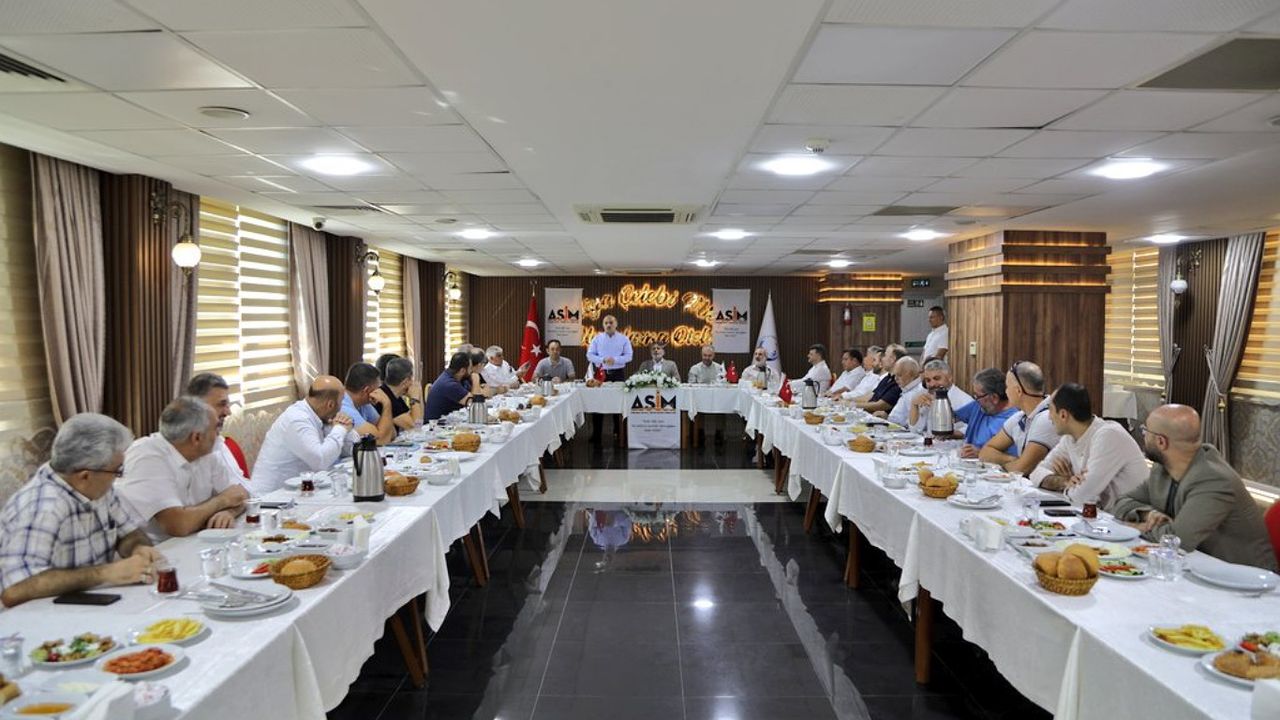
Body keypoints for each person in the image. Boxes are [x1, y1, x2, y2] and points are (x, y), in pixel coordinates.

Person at [0, 414, 163, 608]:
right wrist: (106, 573)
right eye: (117, 470)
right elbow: (14, 590)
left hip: (92, 606)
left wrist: (138, 549)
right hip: (43, 616)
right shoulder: (42, 508)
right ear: (85, 476)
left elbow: (128, 533)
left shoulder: (98, 488)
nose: (118, 477)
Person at [1111, 405, 1277, 570]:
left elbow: (1178, 540)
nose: (1143, 436)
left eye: (1145, 431)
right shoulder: (1162, 469)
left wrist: (1134, 528)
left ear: (1161, 442)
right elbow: (1121, 502)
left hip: (1243, 578)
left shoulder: (1214, 480)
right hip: (1194, 566)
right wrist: (1148, 513)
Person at [118, 397, 250, 543]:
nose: (219, 434)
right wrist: (222, 501)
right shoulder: (146, 456)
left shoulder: (208, 452)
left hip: (194, 542)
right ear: (196, 438)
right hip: (153, 550)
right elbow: (178, 525)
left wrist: (228, 512)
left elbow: (240, 494)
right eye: (216, 428)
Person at [1029, 383, 1147, 510]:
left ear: (1063, 415)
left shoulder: (1108, 435)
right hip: (1102, 515)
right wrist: (1064, 482)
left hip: (1132, 516)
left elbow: (1082, 496)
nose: (1049, 417)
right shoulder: (1069, 438)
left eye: (1050, 410)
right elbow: (1035, 474)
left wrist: (1073, 488)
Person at [251, 376, 356, 494]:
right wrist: (340, 429)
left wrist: (346, 429)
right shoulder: (297, 419)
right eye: (341, 401)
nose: (342, 407)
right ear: (330, 405)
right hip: (270, 498)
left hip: (301, 491)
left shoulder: (320, 415)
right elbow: (321, 461)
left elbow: (353, 450)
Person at [979, 361, 1058, 475]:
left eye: (1007, 387)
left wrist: (1003, 465)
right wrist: (1012, 460)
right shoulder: (1019, 417)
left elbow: (1022, 469)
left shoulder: (1048, 418)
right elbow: (985, 453)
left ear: (1018, 391)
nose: (1005, 392)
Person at [186, 372, 247, 479]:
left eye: (227, 405)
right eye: (221, 404)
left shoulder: (219, 443)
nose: (228, 412)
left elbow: (241, 484)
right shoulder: (182, 454)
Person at [952, 368, 1020, 458]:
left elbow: (1015, 460)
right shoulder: (980, 408)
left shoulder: (1014, 422)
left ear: (994, 398)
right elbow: (953, 412)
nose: (976, 400)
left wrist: (981, 453)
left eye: (978, 396)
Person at [907, 359, 974, 434]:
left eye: (937, 378)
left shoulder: (965, 401)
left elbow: (971, 431)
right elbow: (915, 430)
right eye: (928, 380)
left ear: (949, 378)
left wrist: (946, 432)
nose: (932, 384)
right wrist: (914, 405)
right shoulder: (925, 396)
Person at [340, 363, 396, 445]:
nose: (379, 392)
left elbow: (392, 434)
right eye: (377, 388)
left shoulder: (364, 403)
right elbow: (380, 440)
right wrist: (387, 404)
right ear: (366, 390)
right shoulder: (343, 407)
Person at [855, 344, 907, 412]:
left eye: (885, 355)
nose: (882, 359)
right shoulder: (887, 378)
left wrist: (852, 404)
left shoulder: (898, 381)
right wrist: (846, 401)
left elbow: (880, 405)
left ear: (892, 359)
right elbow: (870, 397)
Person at [425, 352, 475, 422]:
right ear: (462, 370)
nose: (472, 371)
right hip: (436, 425)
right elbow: (473, 404)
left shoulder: (449, 376)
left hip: (445, 421)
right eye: (470, 368)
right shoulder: (449, 384)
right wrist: (476, 379)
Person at [382, 357, 424, 433]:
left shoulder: (394, 395)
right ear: (405, 381)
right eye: (411, 379)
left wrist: (419, 394)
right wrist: (414, 398)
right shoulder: (386, 397)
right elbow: (416, 427)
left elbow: (420, 418)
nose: (412, 382)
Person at [586, 314, 633, 379]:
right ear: (603, 325)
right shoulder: (597, 338)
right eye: (606, 323)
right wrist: (603, 360)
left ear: (616, 324)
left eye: (611, 323)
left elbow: (629, 356)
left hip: (618, 373)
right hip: (601, 372)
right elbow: (589, 355)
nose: (608, 325)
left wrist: (615, 360)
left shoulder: (624, 339)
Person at [884, 357, 923, 426]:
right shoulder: (907, 389)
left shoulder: (918, 392)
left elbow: (914, 423)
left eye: (899, 375)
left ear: (910, 374)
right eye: (895, 375)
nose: (896, 379)